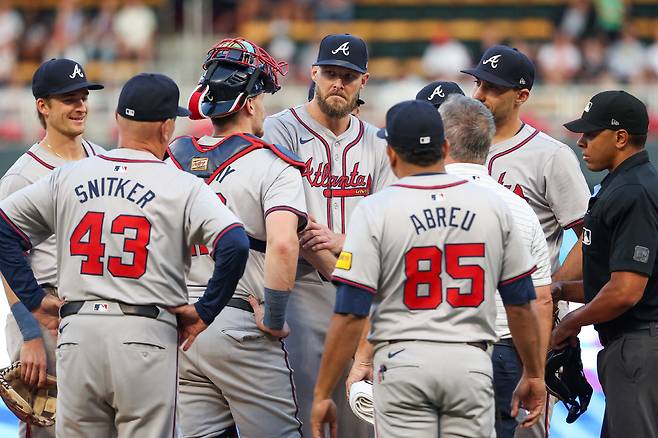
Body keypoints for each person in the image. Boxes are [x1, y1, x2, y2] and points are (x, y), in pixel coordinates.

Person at [0, 72, 250, 437]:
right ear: (167, 127)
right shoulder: (181, 183)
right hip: (145, 333)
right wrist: (204, 312)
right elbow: (235, 243)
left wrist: (35, 301)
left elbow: (4, 228)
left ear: (117, 119)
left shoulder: (68, 176)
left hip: (77, 332)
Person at [310, 99, 546, 438]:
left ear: (391, 153)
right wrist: (534, 374)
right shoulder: (495, 206)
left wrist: (323, 392)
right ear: (445, 147)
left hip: (403, 361)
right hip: (471, 363)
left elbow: (350, 311)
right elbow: (522, 303)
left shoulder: (375, 209)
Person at [169, 37, 314, 438]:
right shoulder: (273, 164)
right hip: (238, 319)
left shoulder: (171, 158)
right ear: (249, 103)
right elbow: (284, 244)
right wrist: (276, 317)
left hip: (179, 324)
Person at [262, 33, 395, 437]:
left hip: (363, 286)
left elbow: (389, 223)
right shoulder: (279, 130)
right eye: (331, 74)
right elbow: (294, 227)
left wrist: (344, 247)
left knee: (360, 413)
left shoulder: (377, 141)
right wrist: (342, 268)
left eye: (348, 76)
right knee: (303, 410)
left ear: (364, 81)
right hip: (302, 285)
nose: (338, 83)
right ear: (314, 73)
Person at [461, 44, 590, 437]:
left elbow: (589, 237)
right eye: (479, 83)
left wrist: (553, 291)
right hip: (461, 317)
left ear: (521, 97)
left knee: (524, 429)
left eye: (493, 88)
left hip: (524, 320)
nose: (480, 95)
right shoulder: (453, 150)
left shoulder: (550, 155)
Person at [0, 57, 104, 438]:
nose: (80, 107)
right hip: (45, 314)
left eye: (83, 97)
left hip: (96, 313)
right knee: (51, 429)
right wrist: (29, 335)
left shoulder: (103, 159)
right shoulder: (22, 176)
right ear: (43, 106)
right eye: (68, 99)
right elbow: (7, 259)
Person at [440, 95, 554, 438]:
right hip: (499, 348)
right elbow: (541, 299)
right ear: (488, 143)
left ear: (441, 141)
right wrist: (535, 373)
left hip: (427, 345)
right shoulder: (518, 209)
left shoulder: (409, 196)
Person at [552, 90, 658, 438]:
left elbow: (626, 291)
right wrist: (558, 290)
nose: (581, 141)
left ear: (621, 137)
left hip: (640, 345)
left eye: (591, 133)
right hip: (632, 345)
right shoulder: (621, 185)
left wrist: (571, 322)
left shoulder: (635, 191)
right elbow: (608, 283)